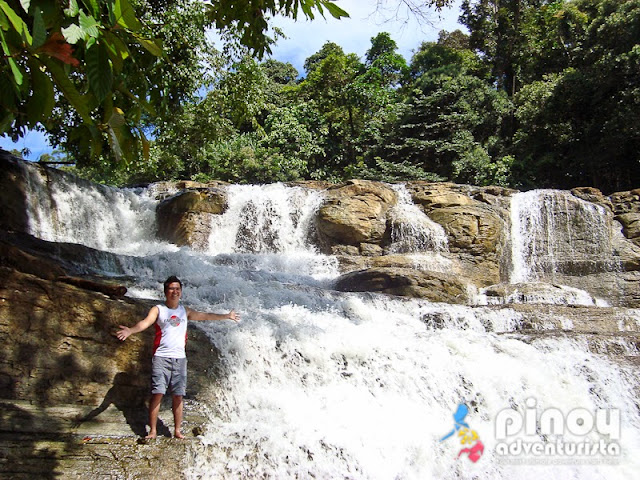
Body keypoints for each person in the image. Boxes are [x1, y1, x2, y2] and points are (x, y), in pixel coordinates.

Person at [116, 275, 239, 439]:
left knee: (178, 395)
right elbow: (145, 323)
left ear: (180, 292)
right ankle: (152, 431)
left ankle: (177, 430)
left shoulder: (184, 311)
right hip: (161, 357)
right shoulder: (158, 309)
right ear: (166, 291)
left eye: (177, 289)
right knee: (158, 393)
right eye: (171, 289)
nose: (175, 292)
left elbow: (204, 316)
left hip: (180, 359)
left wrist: (226, 316)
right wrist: (130, 330)